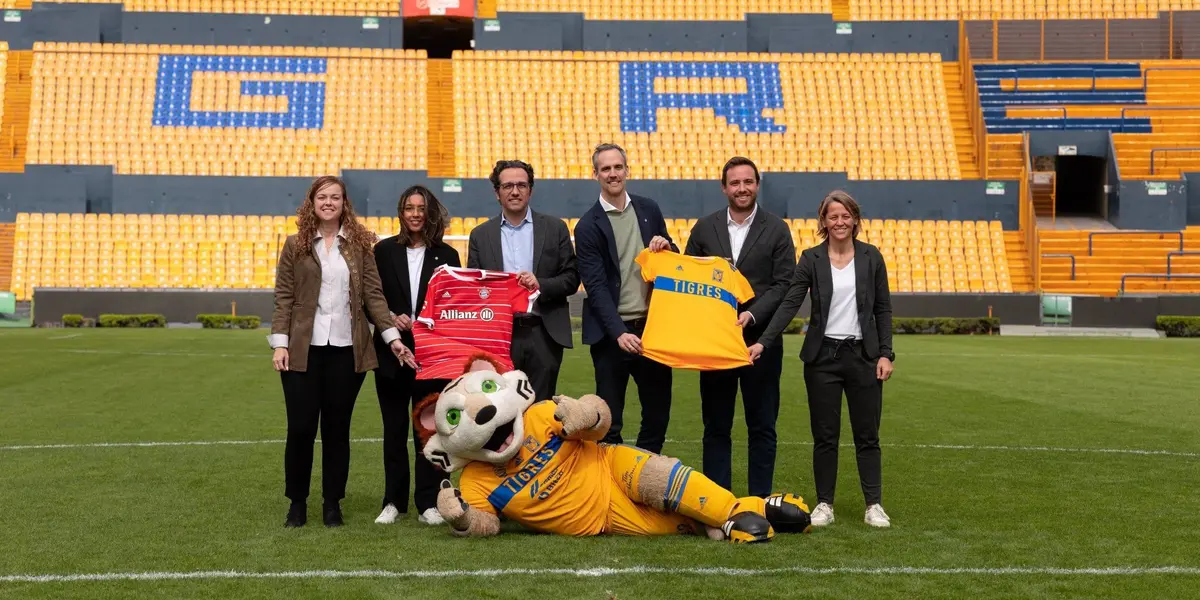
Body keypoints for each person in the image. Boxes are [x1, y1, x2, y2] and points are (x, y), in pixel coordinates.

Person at [269, 175, 416, 529]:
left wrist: (392, 338)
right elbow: (283, 298)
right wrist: (280, 344)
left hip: (347, 352)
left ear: (344, 203)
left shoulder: (360, 247)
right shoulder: (295, 245)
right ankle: (297, 503)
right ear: (312, 202)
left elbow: (374, 298)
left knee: (337, 430)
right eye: (322, 197)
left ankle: (332, 502)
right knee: (301, 428)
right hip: (302, 351)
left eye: (335, 197)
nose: (329, 202)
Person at [748, 190, 896, 528]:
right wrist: (763, 342)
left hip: (864, 357)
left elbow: (883, 308)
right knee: (825, 436)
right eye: (833, 217)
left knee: (867, 435)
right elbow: (789, 303)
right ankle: (825, 504)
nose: (840, 222)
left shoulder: (872, 257)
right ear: (824, 222)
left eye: (846, 216)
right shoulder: (811, 259)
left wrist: (886, 353)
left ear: (855, 220)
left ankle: (873, 504)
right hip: (822, 359)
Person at [684, 157, 795, 498]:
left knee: (762, 426)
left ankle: (758, 501)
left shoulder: (777, 228)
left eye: (748, 182)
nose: (742, 188)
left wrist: (752, 315)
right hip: (715, 344)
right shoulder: (704, 228)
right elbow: (687, 276)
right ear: (724, 187)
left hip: (760, 344)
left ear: (757, 185)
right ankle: (720, 502)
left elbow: (784, 284)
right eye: (735, 183)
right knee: (716, 426)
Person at [573, 143, 677, 454]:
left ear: (627, 171)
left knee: (657, 414)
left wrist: (668, 247)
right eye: (606, 168)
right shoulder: (587, 226)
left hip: (653, 329)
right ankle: (612, 489)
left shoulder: (649, 209)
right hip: (610, 336)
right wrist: (619, 332)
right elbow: (596, 286)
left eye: (618, 167)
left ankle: (648, 475)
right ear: (595, 175)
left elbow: (670, 263)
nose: (613, 173)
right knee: (608, 422)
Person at [371, 185, 462, 527]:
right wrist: (391, 318)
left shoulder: (448, 256)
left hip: (433, 357)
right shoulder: (382, 252)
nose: (414, 213)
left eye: (421, 208)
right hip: (391, 353)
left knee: (430, 432)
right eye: (408, 207)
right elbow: (370, 299)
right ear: (400, 211)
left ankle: (430, 501)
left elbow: (456, 306)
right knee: (393, 429)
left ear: (429, 213)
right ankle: (393, 500)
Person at [467, 160, 580, 402]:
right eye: (508, 186)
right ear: (497, 192)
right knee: (499, 408)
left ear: (531, 190)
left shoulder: (555, 228)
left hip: (544, 332)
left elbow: (571, 278)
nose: (515, 191)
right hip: (499, 335)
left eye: (521, 185)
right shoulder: (480, 235)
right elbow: (475, 288)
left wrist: (541, 284)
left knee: (540, 409)